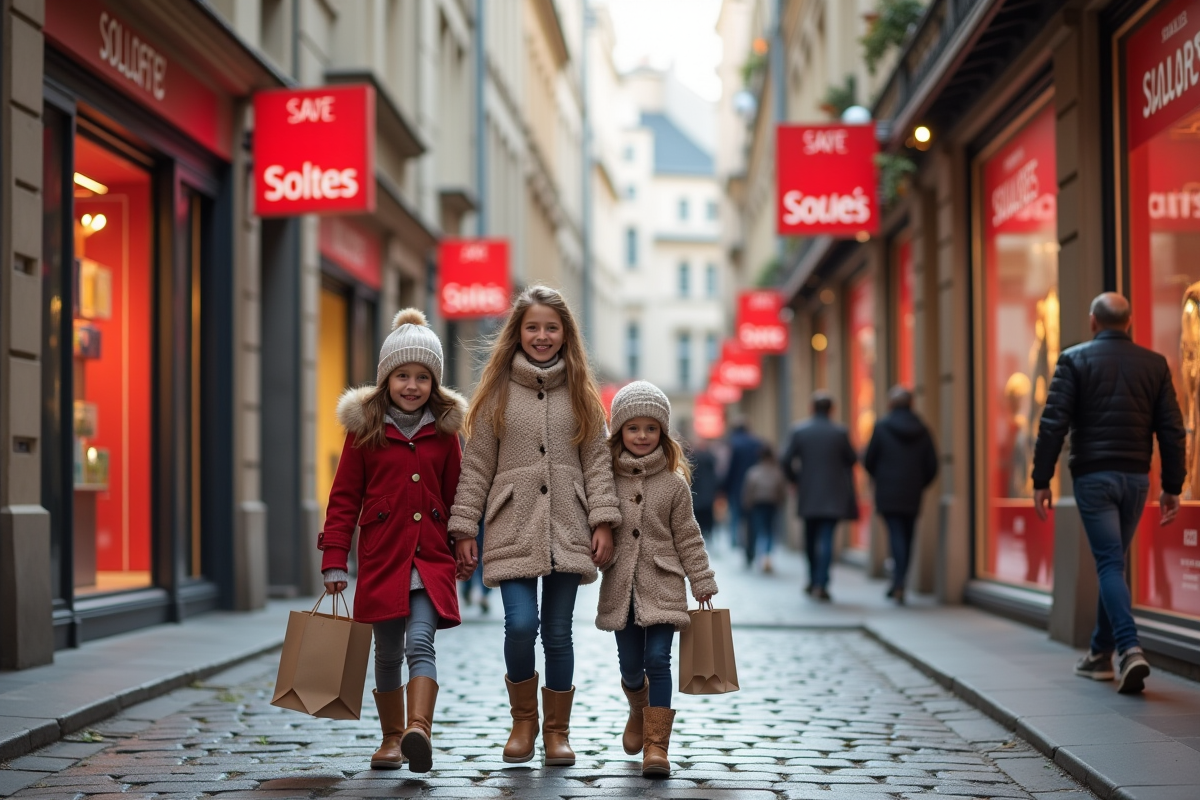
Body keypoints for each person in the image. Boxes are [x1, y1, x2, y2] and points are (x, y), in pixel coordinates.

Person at [448, 285, 620, 766]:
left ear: (565, 334)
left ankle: (556, 732)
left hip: (568, 523)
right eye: (532, 327)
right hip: (512, 524)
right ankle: (522, 722)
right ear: (517, 333)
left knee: (558, 632)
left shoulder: (583, 392)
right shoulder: (498, 393)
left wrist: (603, 520)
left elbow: (597, 463)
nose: (542, 336)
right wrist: (464, 527)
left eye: (551, 327)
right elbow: (477, 465)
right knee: (521, 625)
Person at [318, 309, 466, 773]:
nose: (412, 385)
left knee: (421, 642)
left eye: (422, 377)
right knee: (386, 651)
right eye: (402, 375)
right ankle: (391, 737)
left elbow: (460, 493)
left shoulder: (445, 434)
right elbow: (344, 497)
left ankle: (419, 729)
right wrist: (334, 558)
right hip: (383, 559)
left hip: (430, 559)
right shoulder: (364, 433)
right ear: (385, 379)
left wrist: (464, 539)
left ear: (434, 383)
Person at [1032, 292, 1186, 695]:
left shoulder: (1073, 360)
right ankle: (1099, 655)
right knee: (1112, 562)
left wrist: (1040, 479)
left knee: (1108, 564)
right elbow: (1172, 429)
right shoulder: (1155, 365)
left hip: (1094, 477)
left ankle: (1128, 648)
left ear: (1092, 322)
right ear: (1130, 322)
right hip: (1136, 478)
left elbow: (1053, 424)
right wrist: (1173, 486)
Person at [596, 381, 717, 778]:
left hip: (664, 584)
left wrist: (701, 580)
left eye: (651, 428)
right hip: (622, 588)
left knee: (657, 660)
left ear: (663, 433)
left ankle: (657, 747)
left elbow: (688, 535)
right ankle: (637, 706)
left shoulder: (673, 484)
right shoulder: (606, 480)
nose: (643, 436)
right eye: (633, 428)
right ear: (619, 433)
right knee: (631, 666)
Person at [863, 386, 938, 604]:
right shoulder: (923, 429)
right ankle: (900, 580)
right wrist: (919, 483)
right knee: (908, 535)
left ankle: (898, 583)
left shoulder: (882, 427)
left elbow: (869, 460)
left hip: (888, 491)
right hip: (912, 491)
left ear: (891, 404)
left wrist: (881, 478)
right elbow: (932, 465)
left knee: (896, 534)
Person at [780, 392, 858, 601]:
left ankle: (813, 579)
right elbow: (852, 459)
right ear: (832, 409)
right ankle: (822, 583)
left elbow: (785, 460)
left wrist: (796, 479)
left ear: (811, 408)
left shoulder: (800, 431)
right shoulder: (840, 432)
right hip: (834, 494)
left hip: (809, 493)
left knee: (810, 538)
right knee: (826, 539)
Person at [741, 444, 788, 572]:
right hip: (772, 504)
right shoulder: (777, 471)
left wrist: (747, 503)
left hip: (757, 504)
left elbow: (748, 489)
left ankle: (757, 555)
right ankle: (766, 556)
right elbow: (782, 489)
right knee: (769, 530)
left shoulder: (754, 471)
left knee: (757, 530)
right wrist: (781, 502)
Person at [722, 420, 763, 555]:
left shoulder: (733, 444)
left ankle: (737, 541)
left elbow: (730, 468)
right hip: (756, 487)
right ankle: (751, 546)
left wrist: (725, 487)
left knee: (736, 516)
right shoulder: (757, 443)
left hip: (737, 486)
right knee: (753, 518)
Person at [689, 438, 719, 542]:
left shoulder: (692, 459)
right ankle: (708, 534)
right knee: (708, 515)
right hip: (708, 492)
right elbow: (715, 477)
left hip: (697, 492)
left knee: (698, 515)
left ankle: (700, 534)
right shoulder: (711, 458)